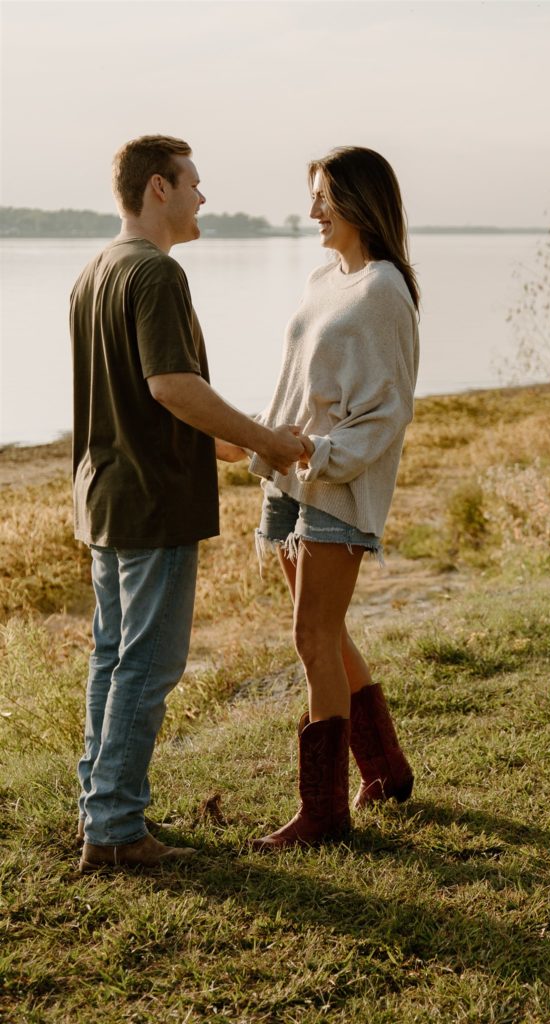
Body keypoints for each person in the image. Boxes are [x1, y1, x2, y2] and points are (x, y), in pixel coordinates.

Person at [72, 134, 305, 873]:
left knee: (114, 660)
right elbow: (169, 385)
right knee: (148, 664)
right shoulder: (155, 275)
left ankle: (102, 807)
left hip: (104, 496)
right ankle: (113, 829)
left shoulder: (94, 272)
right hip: (151, 502)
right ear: (157, 189)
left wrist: (225, 443)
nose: (205, 197)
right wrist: (269, 438)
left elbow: (139, 398)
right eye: (194, 183)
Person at [249, 146, 420, 851]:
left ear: (358, 202)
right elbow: (296, 380)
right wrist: (259, 441)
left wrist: (319, 454)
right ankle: (384, 768)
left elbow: (387, 412)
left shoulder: (383, 289)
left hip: (333, 481)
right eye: (313, 197)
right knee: (326, 628)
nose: (314, 211)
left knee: (311, 636)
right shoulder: (326, 279)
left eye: (325, 197)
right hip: (288, 476)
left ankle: (322, 816)